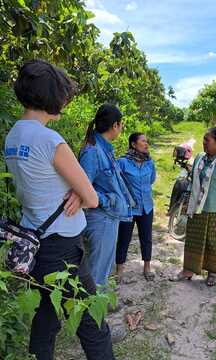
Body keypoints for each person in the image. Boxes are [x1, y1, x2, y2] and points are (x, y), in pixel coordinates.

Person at [5, 59, 115, 359]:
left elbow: (42, 183)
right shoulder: (50, 140)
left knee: (46, 319)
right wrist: (80, 194)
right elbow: (92, 198)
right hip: (64, 246)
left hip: (35, 241)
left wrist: (76, 193)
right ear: (50, 95)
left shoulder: (13, 136)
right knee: (93, 324)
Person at [170, 127, 216, 286]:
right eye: (204, 139)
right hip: (196, 209)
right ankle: (188, 270)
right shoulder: (200, 157)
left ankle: (212, 273)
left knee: (213, 242)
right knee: (193, 240)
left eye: (208, 140)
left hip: (215, 210)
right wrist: (187, 202)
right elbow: (194, 179)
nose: (204, 142)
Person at [79, 104, 134, 287]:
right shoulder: (92, 151)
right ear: (115, 125)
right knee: (96, 273)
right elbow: (82, 189)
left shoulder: (105, 149)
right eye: (121, 124)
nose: (121, 128)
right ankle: (92, 314)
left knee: (103, 270)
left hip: (109, 218)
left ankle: (97, 311)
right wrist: (107, 200)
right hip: (100, 219)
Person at [116, 132, 156, 281]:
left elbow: (151, 180)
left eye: (147, 141)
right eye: (143, 141)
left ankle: (147, 267)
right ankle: (119, 270)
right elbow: (117, 183)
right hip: (128, 208)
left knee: (146, 238)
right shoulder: (122, 162)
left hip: (146, 207)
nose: (146, 144)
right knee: (123, 238)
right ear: (133, 144)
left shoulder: (149, 162)